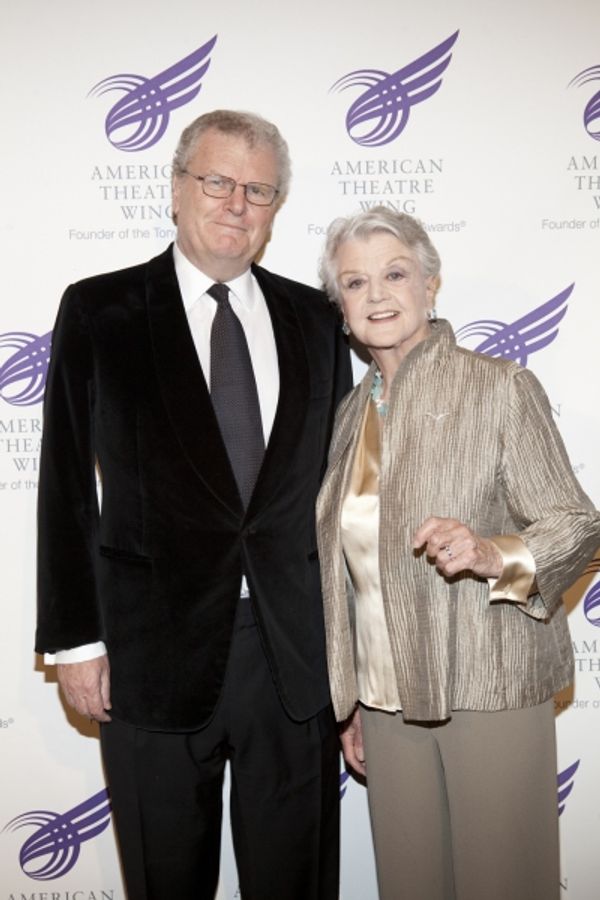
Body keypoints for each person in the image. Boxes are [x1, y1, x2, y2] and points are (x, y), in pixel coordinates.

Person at [36, 109, 352, 900]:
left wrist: (356, 660)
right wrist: (75, 644)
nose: (236, 204)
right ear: (175, 189)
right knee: (166, 878)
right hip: (150, 656)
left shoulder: (316, 320)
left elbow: (342, 496)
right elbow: (67, 482)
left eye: (258, 189)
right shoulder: (100, 309)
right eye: (217, 182)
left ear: (276, 206)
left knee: (297, 879)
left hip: (293, 654)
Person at [315, 205, 600, 900]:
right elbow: (348, 575)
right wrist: (349, 700)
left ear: (431, 285)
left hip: (488, 685)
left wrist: (494, 552)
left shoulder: (498, 387)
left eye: (395, 273)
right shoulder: (347, 416)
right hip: (386, 706)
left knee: (503, 884)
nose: (376, 295)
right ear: (340, 305)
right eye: (354, 283)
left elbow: (576, 523)